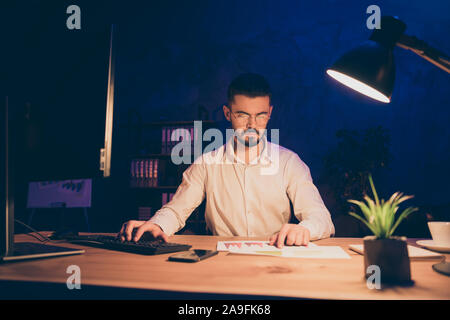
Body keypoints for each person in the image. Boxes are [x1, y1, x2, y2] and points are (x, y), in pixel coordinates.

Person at [118, 73, 335, 248]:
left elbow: (321, 219)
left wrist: (304, 228)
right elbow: (176, 211)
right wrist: (156, 225)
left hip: (276, 260)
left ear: (270, 113)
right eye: (242, 115)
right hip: (221, 262)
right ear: (227, 113)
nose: (252, 124)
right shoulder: (206, 163)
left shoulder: (290, 162)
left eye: (260, 115)